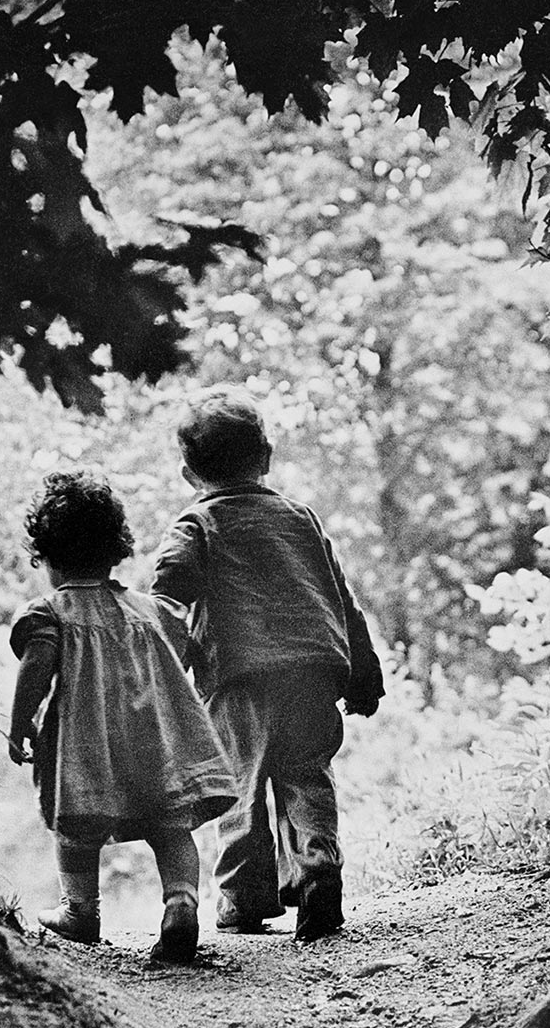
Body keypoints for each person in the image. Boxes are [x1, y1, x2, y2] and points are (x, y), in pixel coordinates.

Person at [151, 387, 384, 942]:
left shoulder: (196, 525)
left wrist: (165, 661)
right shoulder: (300, 518)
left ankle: (243, 898)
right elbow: (341, 597)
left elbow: (167, 593)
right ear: (268, 457)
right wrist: (363, 672)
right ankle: (319, 868)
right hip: (313, 670)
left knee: (239, 788)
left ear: (189, 474)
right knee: (307, 776)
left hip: (239, 678)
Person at [8, 470, 236, 964]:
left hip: (86, 746)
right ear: (116, 550)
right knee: (171, 825)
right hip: (157, 740)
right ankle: (181, 903)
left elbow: (36, 669)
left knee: (75, 829)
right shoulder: (148, 609)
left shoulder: (51, 613)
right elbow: (182, 650)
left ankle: (80, 912)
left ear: (47, 557)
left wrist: (19, 721)